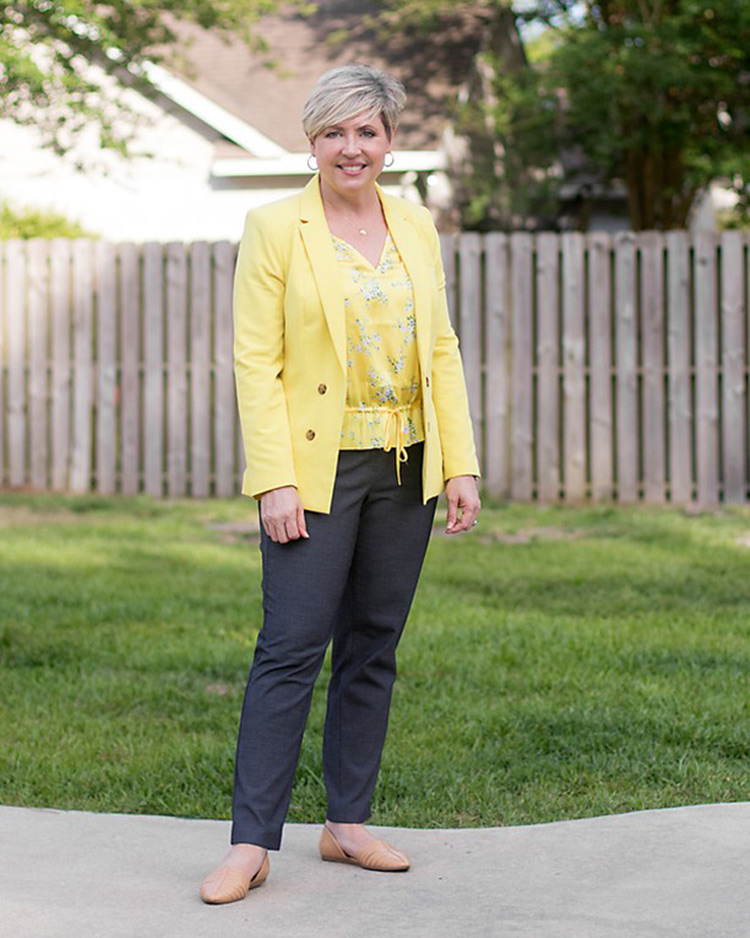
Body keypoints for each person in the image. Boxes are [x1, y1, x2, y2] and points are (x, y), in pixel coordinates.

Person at [200, 63, 481, 905]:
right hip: (316, 474)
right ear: (311, 142)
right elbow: (257, 360)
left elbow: (440, 346)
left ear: (390, 142)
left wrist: (458, 461)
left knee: (374, 645)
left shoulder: (416, 224)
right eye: (334, 132)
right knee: (289, 650)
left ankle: (346, 823)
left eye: (367, 131)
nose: (350, 147)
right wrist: (274, 479)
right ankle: (251, 843)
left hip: (407, 465)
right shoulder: (275, 225)